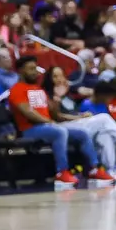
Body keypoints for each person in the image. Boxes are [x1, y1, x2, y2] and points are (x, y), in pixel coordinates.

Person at [7, 57, 86, 190]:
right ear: (21, 71)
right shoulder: (17, 90)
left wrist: (57, 97)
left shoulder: (38, 88)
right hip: (29, 129)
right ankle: (62, 172)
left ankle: (94, 169)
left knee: (82, 134)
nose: (34, 72)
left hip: (47, 126)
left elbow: (54, 113)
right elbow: (28, 112)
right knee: (59, 131)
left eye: (35, 69)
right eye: (30, 69)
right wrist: (49, 121)